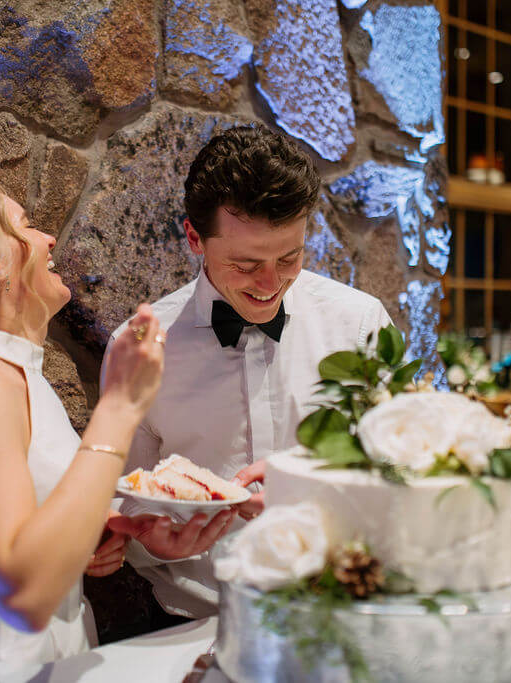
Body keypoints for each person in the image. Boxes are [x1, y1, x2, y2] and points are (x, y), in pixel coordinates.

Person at [0, 179, 182, 680]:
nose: (48, 239)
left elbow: (24, 534)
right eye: (24, 225)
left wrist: (99, 527)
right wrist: (120, 405)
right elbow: (20, 594)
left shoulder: (14, 374)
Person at [105, 126, 394, 619]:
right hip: (195, 624)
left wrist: (315, 486)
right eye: (245, 264)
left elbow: (400, 474)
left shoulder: (361, 323)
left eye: (290, 257)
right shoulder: (137, 347)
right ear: (195, 237)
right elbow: (124, 494)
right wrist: (154, 544)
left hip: (341, 612)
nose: (270, 284)